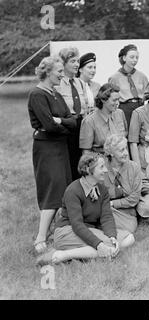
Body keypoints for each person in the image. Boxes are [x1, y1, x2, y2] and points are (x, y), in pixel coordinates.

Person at [36, 154, 135, 265]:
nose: (106, 170)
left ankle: (72, 254)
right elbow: (77, 225)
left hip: (89, 231)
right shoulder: (73, 190)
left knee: (129, 238)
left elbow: (107, 217)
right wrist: (99, 244)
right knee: (109, 247)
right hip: (68, 231)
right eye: (101, 167)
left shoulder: (102, 190)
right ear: (89, 170)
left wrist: (112, 236)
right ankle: (61, 255)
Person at [28, 56, 77, 254]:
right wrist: (61, 123)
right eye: (59, 72)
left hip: (60, 146)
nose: (62, 75)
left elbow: (72, 121)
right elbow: (49, 125)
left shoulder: (55, 93)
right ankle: (40, 237)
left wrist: (61, 122)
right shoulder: (37, 94)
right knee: (51, 190)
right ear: (48, 72)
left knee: (62, 188)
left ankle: (51, 232)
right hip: (46, 148)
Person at [56, 47, 87, 180]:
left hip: (82, 125)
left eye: (77, 61)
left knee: (83, 161)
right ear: (63, 64)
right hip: (68, 127)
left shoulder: (80, 83)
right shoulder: (58, 84)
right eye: (72, 61)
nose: (76, 64)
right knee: (71, 161)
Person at [103, 134, 143, 233]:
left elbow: (134, 198)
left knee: (129, 229)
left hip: (126, 211)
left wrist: (112, 203)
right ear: (111, 153)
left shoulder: (134, 167)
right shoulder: (101, 168)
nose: (126, 153)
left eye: (126, 149)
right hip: (105, 209)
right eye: (121, 150)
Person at [79, 83, 127, 154]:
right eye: (114, 100)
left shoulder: (120, 113)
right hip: (102, 162)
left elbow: (125, 141)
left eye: (118, 100)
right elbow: (86, 152)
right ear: (103, 100)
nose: (117, 103)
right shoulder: (89, 121)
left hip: (121, 160)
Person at [108, 44, 148, 128]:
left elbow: (147, 95)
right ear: (124, 58)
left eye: (137, 57)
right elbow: (111, 98)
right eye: (132, 57)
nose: (135, 60)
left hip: (140, 107)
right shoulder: (114, 77)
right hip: (124, 109)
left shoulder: (142, 76)